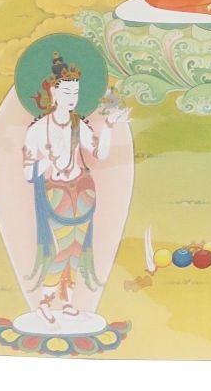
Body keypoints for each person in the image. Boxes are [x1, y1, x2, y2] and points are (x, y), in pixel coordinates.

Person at [22, 52, 129, 323]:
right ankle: (45, 301)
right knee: (63, 247)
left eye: (76, 93)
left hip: (82, 189)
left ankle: (68, 300)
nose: (72, 98)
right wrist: (48, 159)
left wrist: (109, 126)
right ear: (53, 92)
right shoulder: (37, 130)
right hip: (56, 191)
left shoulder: (78, 125)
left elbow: (100, 154)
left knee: (78, 247)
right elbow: (28, 173)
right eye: (67, 92)